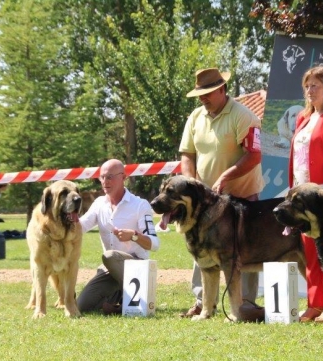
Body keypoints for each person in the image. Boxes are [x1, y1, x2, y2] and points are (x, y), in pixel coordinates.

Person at [178, 67, 265, 318]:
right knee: (199, 245)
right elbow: (187, 154)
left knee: (244, 248)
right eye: (200, 94)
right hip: (204, 201)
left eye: (207, 93)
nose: (202, 99)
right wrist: (190, 182)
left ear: (221, 89)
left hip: (242, 196)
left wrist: (226, 176)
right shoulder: (195, 117)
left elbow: (254, 156)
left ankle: (245, 302)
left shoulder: (244, 116)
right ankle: (203, 301)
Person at [288, 66, 323, 323]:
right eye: (307, 86)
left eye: (316, 86)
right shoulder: (302, 117)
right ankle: (315, 304)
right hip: (302, 195)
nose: (310, 91)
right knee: (309, 250)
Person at [77, 159, 160, 314]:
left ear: (124, 177)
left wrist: (134, 236)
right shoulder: (99, 204)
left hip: (137, 266)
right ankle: (119, 302)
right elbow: (80, 228)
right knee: (82, 306)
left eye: (110, 177)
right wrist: (70, 218)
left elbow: (154, 244)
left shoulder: (140, 205)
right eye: (102, 177)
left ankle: (135, 298)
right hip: (110, 268)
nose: (104, 181)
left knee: (109, 256)